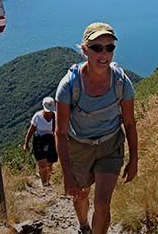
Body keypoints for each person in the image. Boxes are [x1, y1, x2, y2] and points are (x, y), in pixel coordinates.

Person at [55, 22, 138, 234]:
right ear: (84, 50)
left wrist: (134, 159)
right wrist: (67, 174)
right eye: (97, 48)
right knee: (81, 195)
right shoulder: (69, 86)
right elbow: (61, 132)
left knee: (102, 203)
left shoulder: (121, 82)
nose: (104, 54)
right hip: (80, 148)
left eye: (109, 48)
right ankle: (83, 225)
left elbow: (129, 122)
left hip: (110, 146)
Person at [23, 96, 58, 186]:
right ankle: (44, 183)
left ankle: (47, 180)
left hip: (51, 141)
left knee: (49, 164)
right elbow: (31, 130)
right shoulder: (37, 116)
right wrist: (26, 143)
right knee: (42, 164)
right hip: (39, 141)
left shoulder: (56, 116)